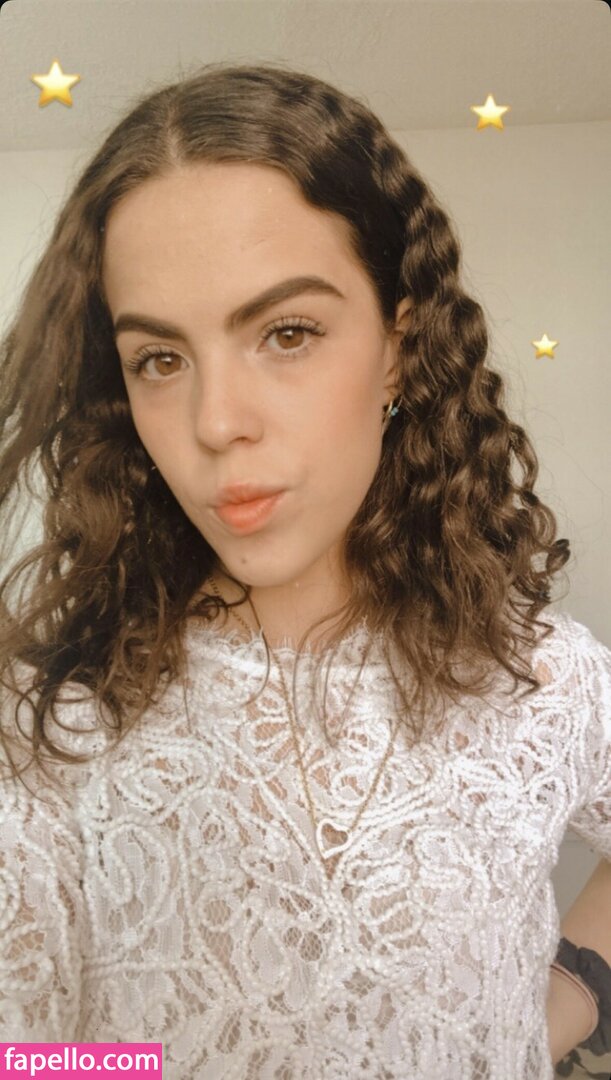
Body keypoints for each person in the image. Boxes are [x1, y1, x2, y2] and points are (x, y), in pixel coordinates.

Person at [0, 60, 609, 1080]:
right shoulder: (55, 719)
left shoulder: (544, 680)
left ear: (397, 349)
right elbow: (28, 1058)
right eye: (159, 359)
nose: (215, 423)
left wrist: (559, 1004)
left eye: (286, 333)